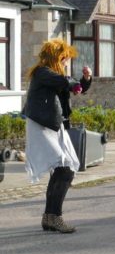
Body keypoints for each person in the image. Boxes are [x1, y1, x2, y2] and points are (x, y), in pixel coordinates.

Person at [22, 38, 92, 233]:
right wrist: (75, 84)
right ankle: (55, 217)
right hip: (42, 125)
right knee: (65, 169)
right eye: (65, 58)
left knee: (63, 170)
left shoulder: (53, 75)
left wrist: (85, 81)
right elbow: (65, 82)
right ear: (56, 57)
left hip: (53, 125)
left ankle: (49, 217)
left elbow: (73, 86)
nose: (67, 62)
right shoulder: (43, 73)